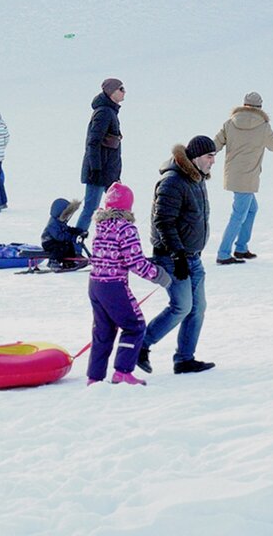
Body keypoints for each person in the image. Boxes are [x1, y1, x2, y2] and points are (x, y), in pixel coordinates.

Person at [137, 136, 217, 376]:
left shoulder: (197, 179)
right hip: (172, 257)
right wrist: (177, 254)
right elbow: (163, 220)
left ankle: (184, 359)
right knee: (181, 306)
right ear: (194, 158)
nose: (213, 161)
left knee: (197, 308)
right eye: (209, 156)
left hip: (193, 256)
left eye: (214, 156)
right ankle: (140, 344)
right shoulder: (173, 181)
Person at [87, 182, 170, 386]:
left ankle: (94, 376)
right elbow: (135, 261)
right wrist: (158, 275)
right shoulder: (126, 228)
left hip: (95, 284)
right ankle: (122, 371)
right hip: (113, 285)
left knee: (103, 330)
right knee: (134, 325)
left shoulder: (100, 225)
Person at [214, 92, 273, 265]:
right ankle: (223, 253)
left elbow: (215, 144)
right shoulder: (264, 126)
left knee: (251, 209)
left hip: (233, 176)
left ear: (243, 105)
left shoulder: (230, 123)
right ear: (260, 107)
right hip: (249, 177)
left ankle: (241, 248)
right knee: (238, 215)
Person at [75, 78, 125, 236]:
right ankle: (75, 243)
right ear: (111, 92)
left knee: (116, 208)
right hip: (99, 171)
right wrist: (96, 168)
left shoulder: (109, 111)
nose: (124, 92)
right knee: (91, 208)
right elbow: (93, 142)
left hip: (107, 171)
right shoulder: (104, 112)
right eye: (121, 89)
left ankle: (114, 242)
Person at [41, 198, 83, 269]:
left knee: (69, 245)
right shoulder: (53, 224)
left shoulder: (60, 222)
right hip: (48, 242)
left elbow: (67, 229)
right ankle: (53, 261)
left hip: (56, 240)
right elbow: (59, 236)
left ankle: (69, 262)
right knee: (59, 247)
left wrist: (77, 231)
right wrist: (72, 237)